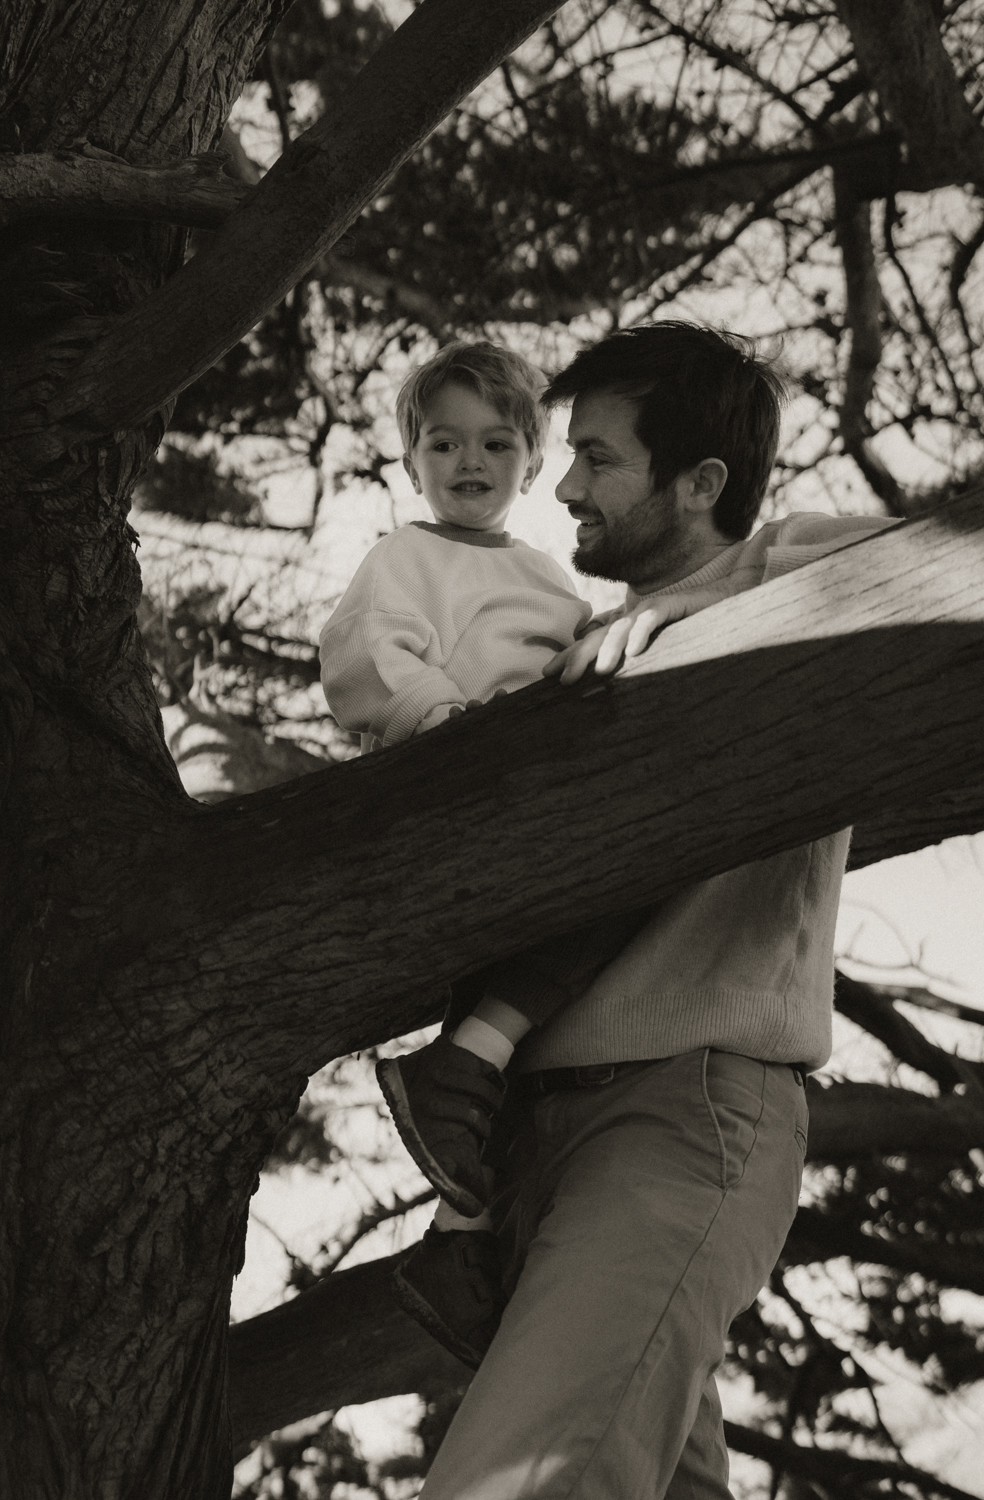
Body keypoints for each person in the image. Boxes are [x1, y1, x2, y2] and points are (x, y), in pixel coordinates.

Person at [410, 321, 894, 1500]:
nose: (561, 485)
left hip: (680, 1119)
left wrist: (700, 618)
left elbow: (938, 562)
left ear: (702, 483)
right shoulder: (575, 645)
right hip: (537, 1148)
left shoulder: (788, 569)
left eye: (595, 458)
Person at [319, 341, 653, 1365]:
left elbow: (571, 662)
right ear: (411, 459)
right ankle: (463, 1074)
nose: (470, 461)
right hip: (449, 776)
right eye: (444, 442)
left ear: (529, 457)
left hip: (529, 790)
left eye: (497, 443)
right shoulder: (403, 560)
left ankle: (457, 1239)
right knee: (586, 904)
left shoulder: (546, 578)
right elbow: (370, 655)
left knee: (549, 962)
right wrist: (445, 724)